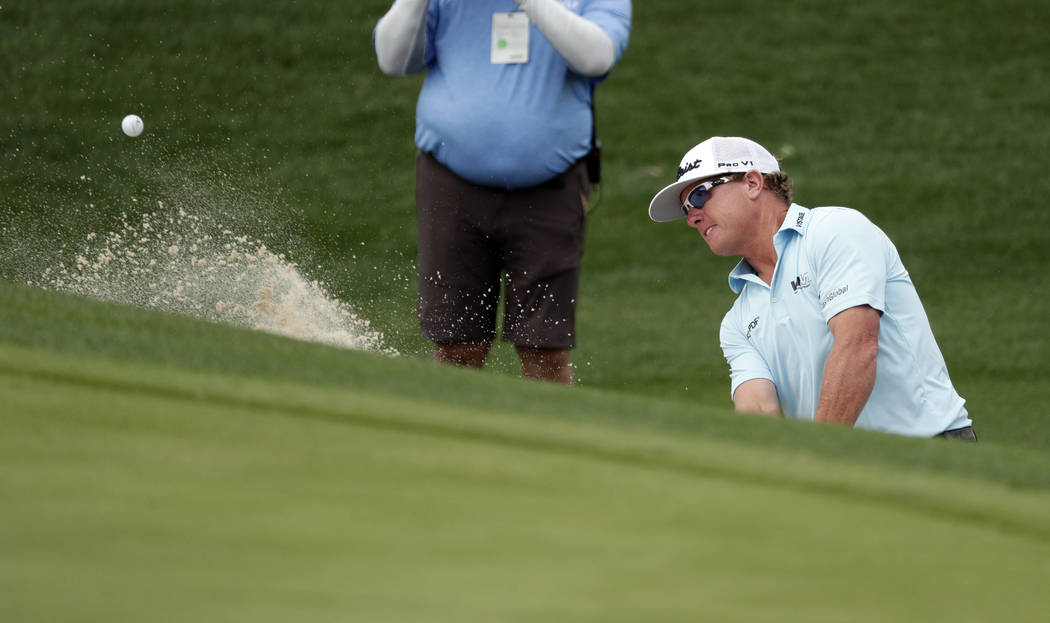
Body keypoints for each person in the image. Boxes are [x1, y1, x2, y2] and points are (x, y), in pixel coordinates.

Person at [648, 136, 976, 440]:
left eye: (700, 195)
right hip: (846, 470)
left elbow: (858, 347)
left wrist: (818, 456)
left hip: (929, 449)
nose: (693, 217)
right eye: (686, 208)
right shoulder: (736, 322)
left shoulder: (835, 231)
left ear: (752, 182)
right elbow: (757, 411)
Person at [373, 0, 632, 384]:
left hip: (551, 187)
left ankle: (549, 443)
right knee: (457, 346)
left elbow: (596, 57)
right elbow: (393, 59)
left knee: (545, 351)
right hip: (451, 180)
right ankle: (452, 441)